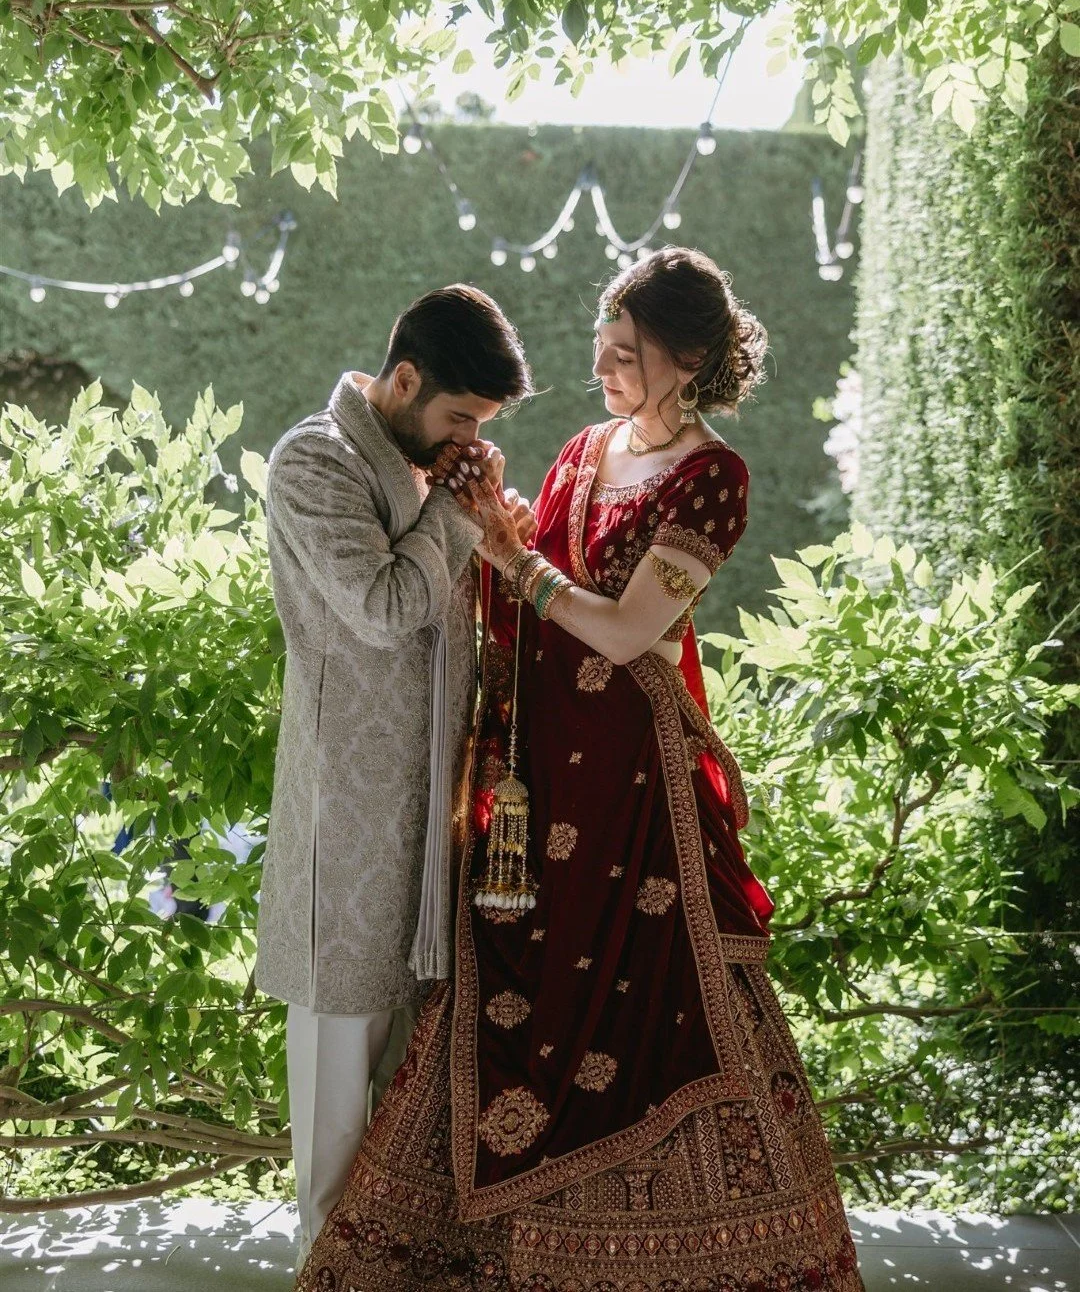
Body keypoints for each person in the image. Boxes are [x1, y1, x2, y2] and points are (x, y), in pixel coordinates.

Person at [296, 248, 864, 1290]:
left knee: (654, 997)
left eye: (628, 357)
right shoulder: (578, 452)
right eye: (601, 352)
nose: (605, 373)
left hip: (636, 789)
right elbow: (506, 598)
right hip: (533, 780)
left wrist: (511, 557)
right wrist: (486, 523)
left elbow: (631, 629)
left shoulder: (711, 477)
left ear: (690, 361)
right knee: (520, 991)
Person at [254, 284, 535, 1265]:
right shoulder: (313, 461)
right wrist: (459, 511)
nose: (465, 441)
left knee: (415, 1087)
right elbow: (381, 604)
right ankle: (323, 1276)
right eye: (458, 416)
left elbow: (486, 569)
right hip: (352, 817)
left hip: (438, 816)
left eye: (480, 430)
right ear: (405, 378)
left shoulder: (433, 469)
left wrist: (488, 515)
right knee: (339, 1079)